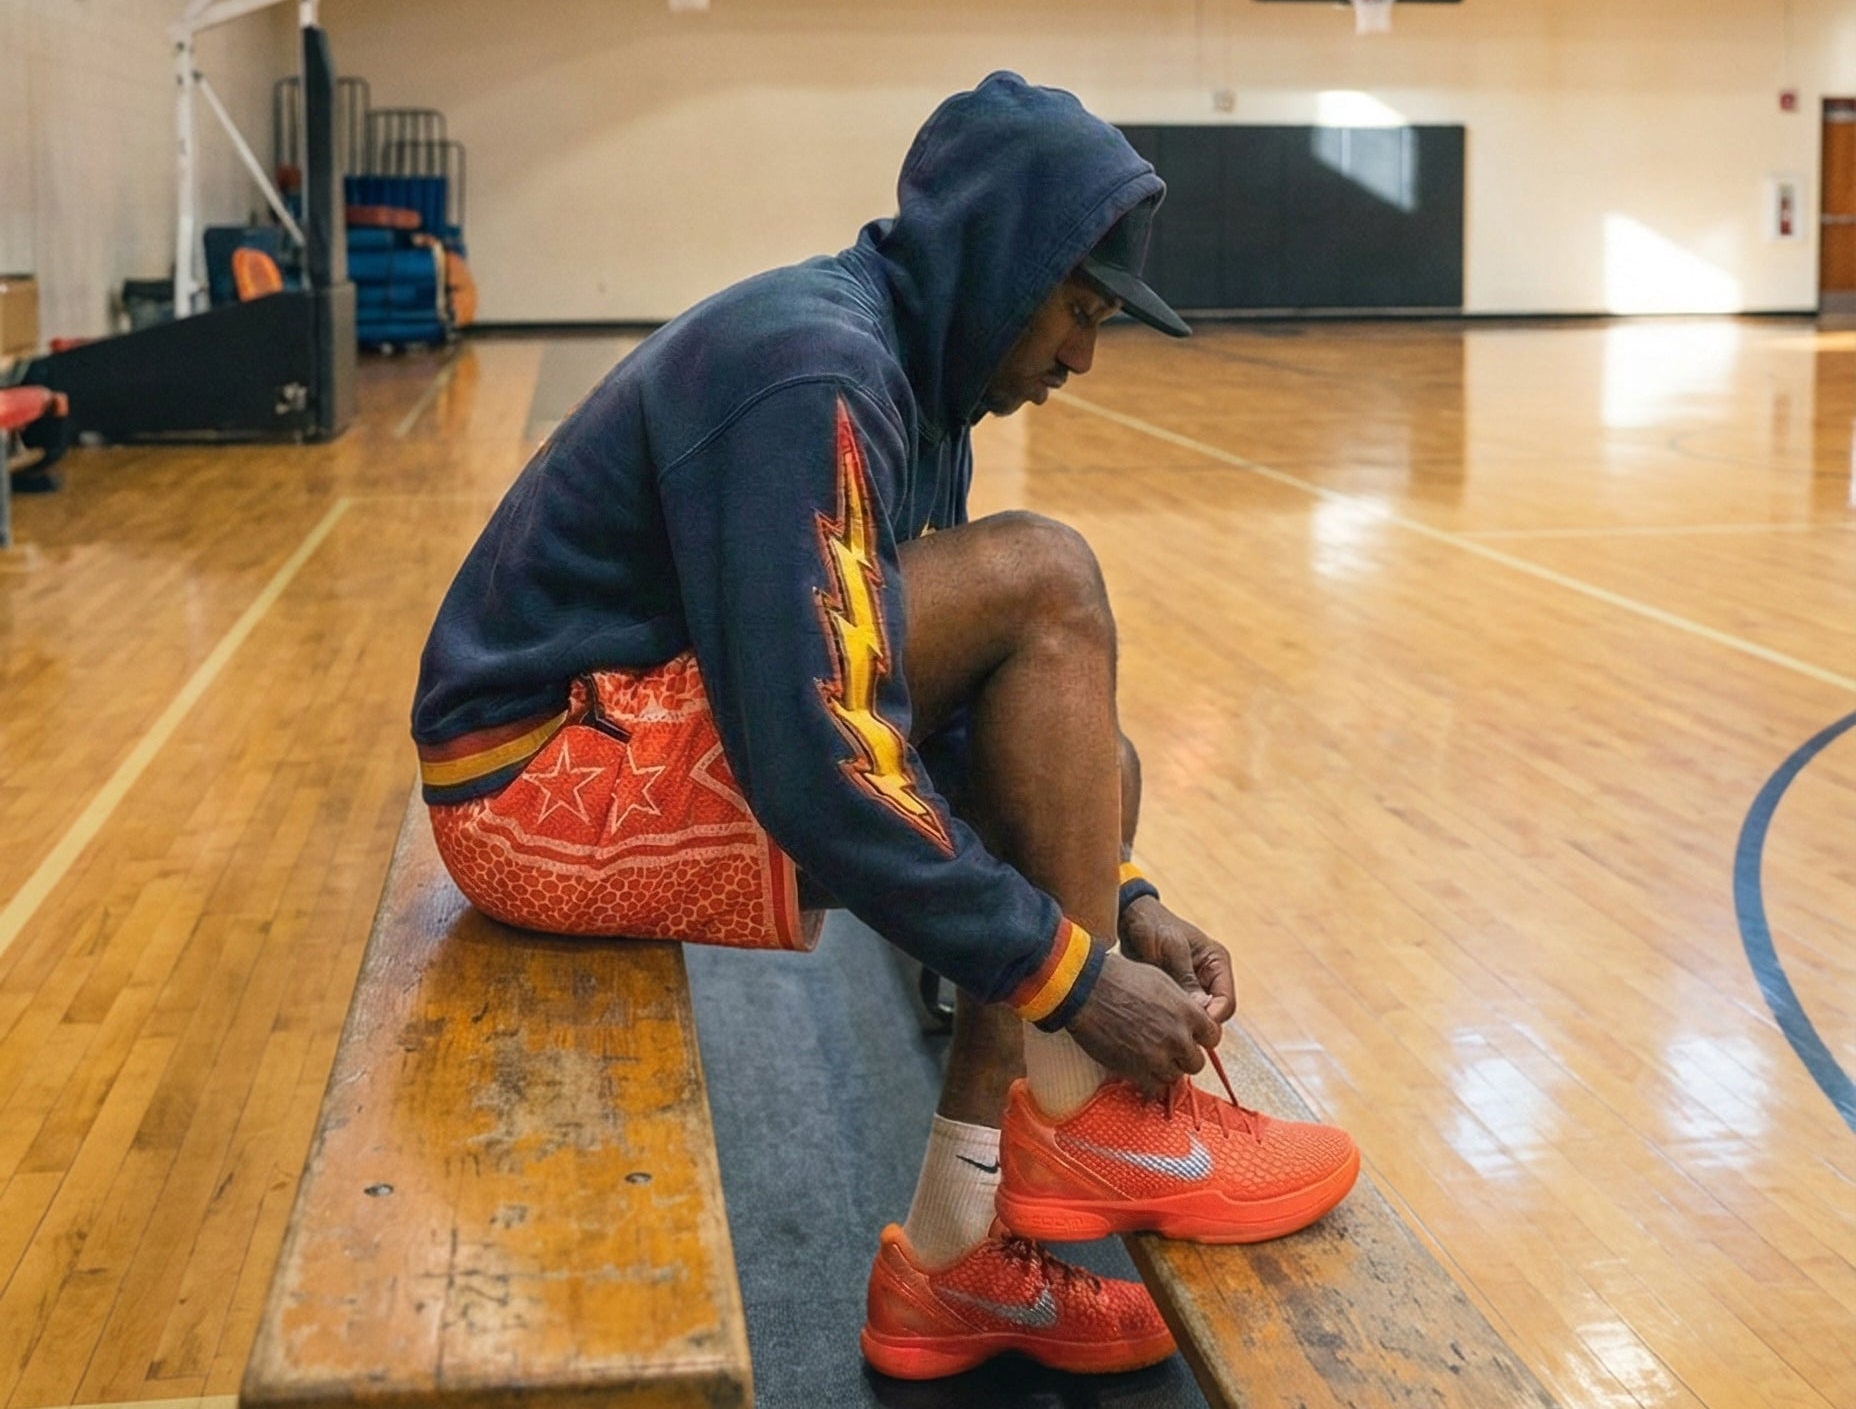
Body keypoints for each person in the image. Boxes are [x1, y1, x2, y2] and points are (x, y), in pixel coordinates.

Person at [411, 71, 1359, 1382]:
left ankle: (958, 1256)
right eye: (1079, 310)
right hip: (532, 791)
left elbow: (942, 728)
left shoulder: (913, 382)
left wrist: (1126, 899)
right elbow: (820, 767)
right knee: (1048, 576)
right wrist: (1080, 985)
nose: (1083, 357)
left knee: (1092, 764)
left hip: (618, 748)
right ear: (1001, 262)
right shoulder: (818, 375)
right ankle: (1095, 1117)